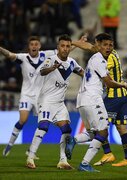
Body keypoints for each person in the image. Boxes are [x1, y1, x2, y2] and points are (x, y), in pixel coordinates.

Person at [67, 33, 127, 168]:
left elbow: (90, 48)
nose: (107, 47)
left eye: (110, 45)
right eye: (104, 45)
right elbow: (108, 81)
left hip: (111, 95)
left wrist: (73, 43)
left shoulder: (104, 56)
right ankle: (125, 158)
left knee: (101, 130)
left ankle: (111, 154)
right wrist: (73, 42)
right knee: (116, 128)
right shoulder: (103, 57)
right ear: (99, 45)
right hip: (114, 94)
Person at [26, 34, 84, 169]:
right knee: (44, 127)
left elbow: (82, 72)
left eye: (68, 46)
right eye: (62, 46)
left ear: (70, 48)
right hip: (46, 100)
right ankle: (30, 157)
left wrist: (93, 76)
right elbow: (42, 71)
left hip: (59, 103)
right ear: (58, 47)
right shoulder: (51, 60)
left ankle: (62, 161)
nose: (65, 48)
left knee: (67, 129)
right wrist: (52, 68)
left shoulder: (72, 62)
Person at [1, 36, 57, 158]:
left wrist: (77, 44)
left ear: (39, 46)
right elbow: (10, 55)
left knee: (43, 124)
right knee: (23, 120)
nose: (34, 46)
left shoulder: (46, 55)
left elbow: (63, 51)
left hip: (40, 97)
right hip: (26, 95)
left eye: (36, 44)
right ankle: (10, 144)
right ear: (29, 47)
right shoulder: (23, 58)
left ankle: (30, 150)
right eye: (32, 44)